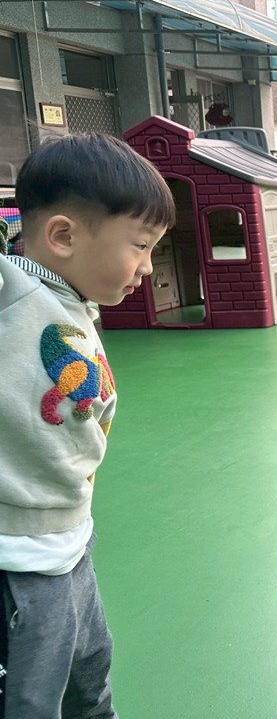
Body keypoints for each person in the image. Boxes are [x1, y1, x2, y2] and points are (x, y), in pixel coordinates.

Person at [0, 133, 174, 718]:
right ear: (63, 237)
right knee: (32, 702)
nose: (148, 267)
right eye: (140, 246)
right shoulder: (12, 294)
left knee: (90, 682)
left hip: (71, 541)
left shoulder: (71, 301)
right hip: (19, 560)